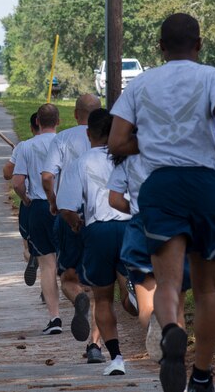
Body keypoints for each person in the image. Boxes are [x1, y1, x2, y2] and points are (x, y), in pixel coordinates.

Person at [108, 13, 215, 392]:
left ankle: (170, 330)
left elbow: (117, 143)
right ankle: (201, 376)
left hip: (160, 187)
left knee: (167, 284)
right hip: (204, 185)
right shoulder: (212, 77)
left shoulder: (141, 85)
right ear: (199, 45)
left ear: (160, 47)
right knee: (206, 289)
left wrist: (149, 142)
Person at [57, 108, 132, 376]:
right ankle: (133, 292)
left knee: (102, 299)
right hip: (129, 227)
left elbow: (66, 207)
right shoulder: (128, 158)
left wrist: (75, 223)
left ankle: (116, 358)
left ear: (89, 134)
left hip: (98, 230)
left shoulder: (82, 162)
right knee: (129, 291)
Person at [41, 94, 106, 362]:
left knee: (69, 278)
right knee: (103, 287)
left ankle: (77, 296)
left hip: (70, 215)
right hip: (103, 215)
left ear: (76, 114)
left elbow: (47, 176)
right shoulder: (110, 140)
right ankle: (95, 346)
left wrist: (53, 202)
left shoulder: (63, 138)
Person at [107, 153, 189, 362]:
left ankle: (155, 323)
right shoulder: (176, 153)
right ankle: (176, 359)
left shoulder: (127, 158)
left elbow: (114, 199)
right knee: (177, 304)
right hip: (174, 226)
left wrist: (136, 210)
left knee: (146, 305)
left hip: (141, 226)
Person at [12, 104, 62, 334]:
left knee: (47, 264)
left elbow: (17, 182)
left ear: (37, 123)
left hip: (41, 207)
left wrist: (26, 198)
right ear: (58, 121)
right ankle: (80, 295)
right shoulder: (66, 142)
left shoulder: (26, 146)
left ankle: (55, 318)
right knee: (72, 260)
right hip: (67, 206)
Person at [3, 113, 40, 285]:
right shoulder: (62, 142)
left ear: (32, 127)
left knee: (28, 244)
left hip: (31, 203)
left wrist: (17, 158)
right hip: (56, 202)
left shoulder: (23, 147)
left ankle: (32, 257)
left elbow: (7, 174)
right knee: (53, 249)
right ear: (56, 122)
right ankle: (48, 284)